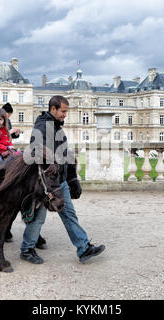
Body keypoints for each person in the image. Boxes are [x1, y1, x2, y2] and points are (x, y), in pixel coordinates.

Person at [20, 95, 105, 264]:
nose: (65, 114)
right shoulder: (42, 125)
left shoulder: (56, 126)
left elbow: (65, 154)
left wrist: (72, 179)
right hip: (47, 183)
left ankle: (83, 248)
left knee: (69, 214)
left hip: (60, 180)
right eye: (63, 111)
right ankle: (26, 249)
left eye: (66, 111)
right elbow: (36, 148)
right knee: (39, 217)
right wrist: (50, 161)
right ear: (53, 109)